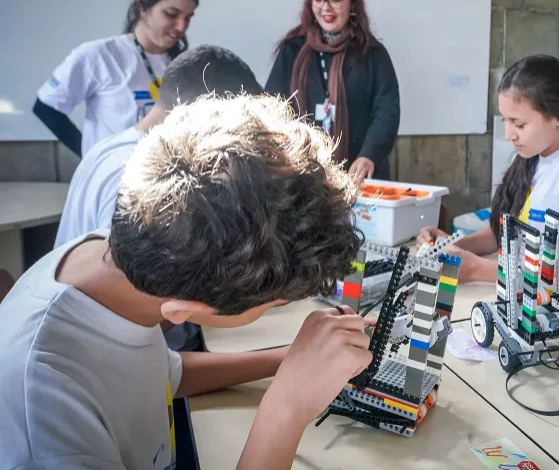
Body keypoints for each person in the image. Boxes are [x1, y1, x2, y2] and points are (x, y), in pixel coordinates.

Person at [0, 93, 373, 470]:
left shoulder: (127, 257)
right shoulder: (47, 416)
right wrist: (285, 410)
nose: (280, 303)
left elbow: (163, 373)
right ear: (182, 312)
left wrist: (292, 359)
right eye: (275, 301)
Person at [52, 44, 265, 352]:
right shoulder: (141, 178)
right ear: (205, 110)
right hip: (124, 351)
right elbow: (140, 304)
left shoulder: (111, 147)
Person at [417, 55, 559, 284]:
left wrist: (474, 269)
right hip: (511, 292)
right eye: (506, 121)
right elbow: (502, 235)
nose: (509, 134)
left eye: (519, 124)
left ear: (558, 116)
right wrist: (452, 245)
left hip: (554, 304)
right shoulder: (528, 156)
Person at [33, 0, 199, 157]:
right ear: (142, 4)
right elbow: (46, 107)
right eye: (171, 14)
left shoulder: (185, 65)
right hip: (117, 173)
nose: (181, 27)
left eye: (188, 18)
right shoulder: (100, 55)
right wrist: (92, 157)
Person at [265, 0, 400, 183]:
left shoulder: (372, 54)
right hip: (302, 179)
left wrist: (369, 155)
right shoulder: (292, 50)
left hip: (358, 178)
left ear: (352, 2)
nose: (325, 8)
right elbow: (272, 106)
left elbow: (387, 111)